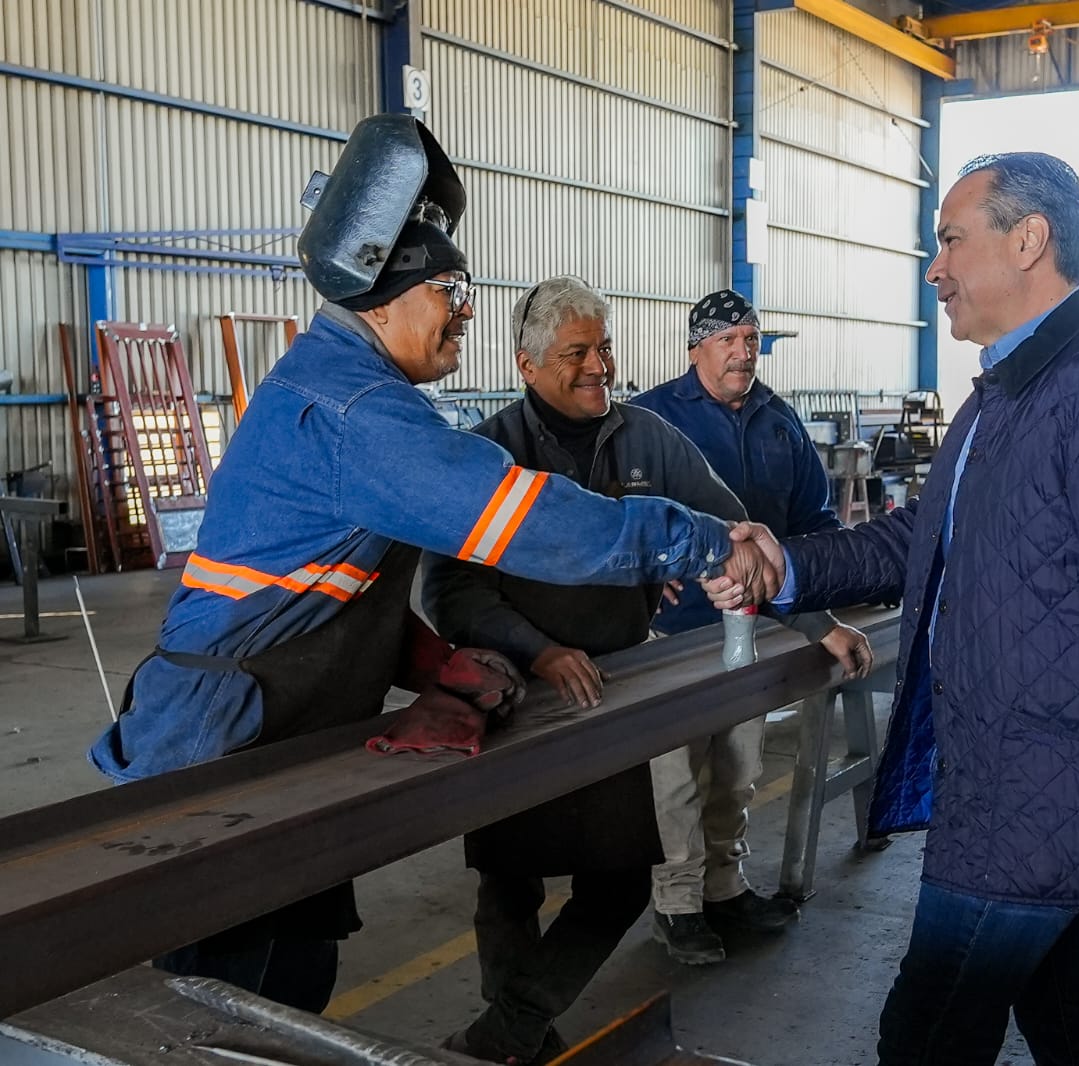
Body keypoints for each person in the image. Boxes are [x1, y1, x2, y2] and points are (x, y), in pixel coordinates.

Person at [84, 116, 762, 1013]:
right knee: (240, 1007)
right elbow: (523, 520)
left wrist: (436, 662)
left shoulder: (344, 392)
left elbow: (326, 596)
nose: (465, 311)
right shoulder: (357, 413)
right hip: (222, 742)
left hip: (273, 725)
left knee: (288, 981)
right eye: (451, 289)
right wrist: (705, 540)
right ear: (382, 300)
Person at [707, 152, 1079, 1066]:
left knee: (928, 1035)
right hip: (1016, 786)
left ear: (1029, 241)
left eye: (950, 240)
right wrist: (784, 565)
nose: (935, 269)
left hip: (1037, 799)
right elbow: (924, 536)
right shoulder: (1014, 386)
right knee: (1072, 1029)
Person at [418, 276, 869, 1061]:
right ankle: (516, 1033)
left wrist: (817, 623)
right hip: (519, 697)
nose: (600, 367)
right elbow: (449, 589)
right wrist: (539, 649)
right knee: (510, 879)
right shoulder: (489, 453)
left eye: (605, 348)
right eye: (577, 353)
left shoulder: (647, 440)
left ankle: (509, 1027)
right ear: (527, 364)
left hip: (617, 696)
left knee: (622, 877)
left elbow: (737, 536)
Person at [630, 289, 874, 965]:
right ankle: (678, 904)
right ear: (695, 348)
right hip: (674, 632)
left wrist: (825, 611)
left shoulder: (779, 421)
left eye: (751, 339)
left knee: (738, 766)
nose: (743, 352)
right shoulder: (651, 418)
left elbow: (814, 524)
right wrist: (643, 574)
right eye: (728, 340)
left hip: (754, 631)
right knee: (677, 775)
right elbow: (617, 513)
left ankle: (725, 887)